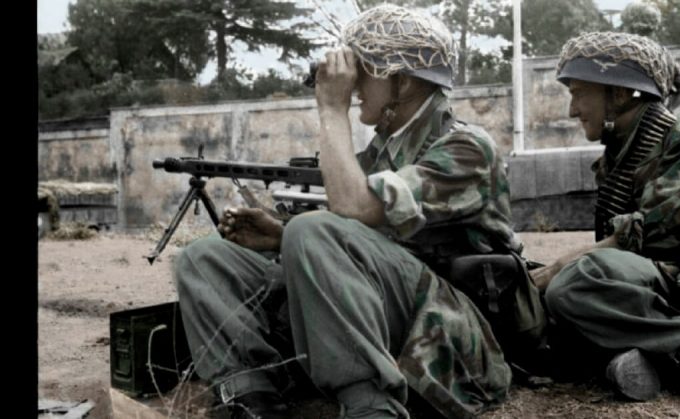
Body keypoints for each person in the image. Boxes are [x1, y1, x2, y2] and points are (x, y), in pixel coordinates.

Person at [174, 4, 526, 418]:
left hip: (454, 331)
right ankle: (253, 397)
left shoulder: (467, 148)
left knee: (310, 229)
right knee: (204, 258)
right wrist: (281, 235)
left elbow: (351, 209)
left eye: (365, 69)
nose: (354, 83)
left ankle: (370, 404)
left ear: (405, 80)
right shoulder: (384, 150)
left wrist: (332, 109)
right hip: (382, 308)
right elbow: (352, 237)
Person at [529, 31, 680, 419]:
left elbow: (658, 231)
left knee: (577, 279)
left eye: (579, 92)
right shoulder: (618, 154)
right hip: (667, 285)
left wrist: (560, 268)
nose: (572, 110)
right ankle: (641, 360)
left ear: (620, 94)